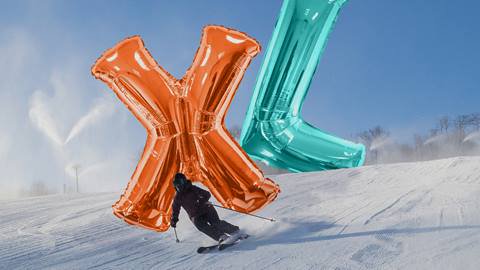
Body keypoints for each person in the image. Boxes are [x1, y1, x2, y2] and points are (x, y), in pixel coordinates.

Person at [170, 173, 240, 243]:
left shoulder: (193, 189)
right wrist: (174, 219)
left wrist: (202, 200)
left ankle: (234, 231)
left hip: (206, 209)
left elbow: (207, 194)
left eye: (180, 182)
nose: (178, 185)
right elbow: (175, 209)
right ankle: (221, 236)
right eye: (176, 183)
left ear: (184, 181)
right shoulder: (177, 197)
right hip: (195, 215)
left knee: (215, 223)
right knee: (201, 226)